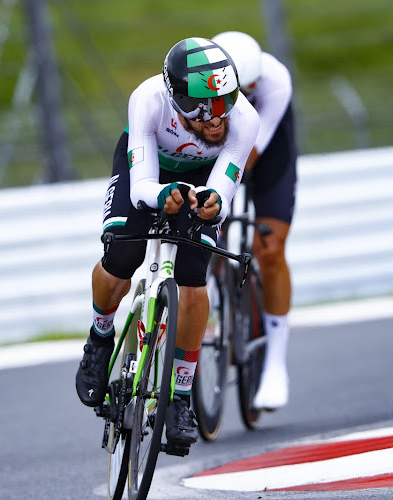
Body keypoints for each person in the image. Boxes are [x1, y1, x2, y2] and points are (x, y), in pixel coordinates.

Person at [75, 37, 259, 449]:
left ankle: (178, 397)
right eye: (202, 105)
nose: (216, 118)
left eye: (224, 99)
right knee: (123, 253)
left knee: (194, 276)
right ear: (176, 98)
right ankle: (100, 337)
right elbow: (141, 185)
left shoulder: (244, 118)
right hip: (148, 169)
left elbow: (223, 189)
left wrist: (212, 204)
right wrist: (161, 195)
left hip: (202, 175)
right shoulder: (149, 99)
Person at [211, 31, 297, 410]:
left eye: (252, 90)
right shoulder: (201, 78)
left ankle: (276, 362)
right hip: (211, 135)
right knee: (201, 234)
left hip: (265, 146)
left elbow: (249, 156)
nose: (245, 97)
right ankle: (216, 294)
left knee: (270, 247)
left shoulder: (275, 81)